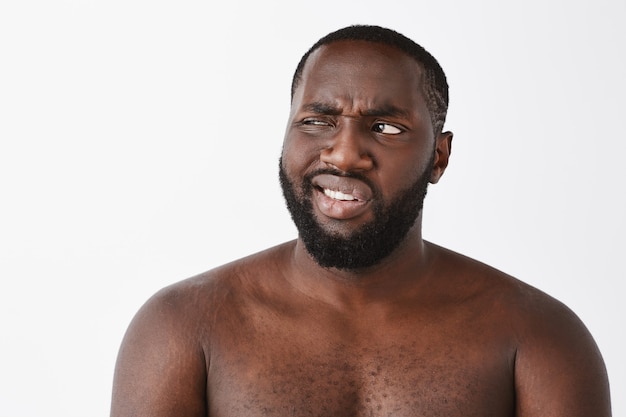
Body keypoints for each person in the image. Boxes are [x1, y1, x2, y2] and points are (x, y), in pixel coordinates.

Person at [110, 25, 611, 416]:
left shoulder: (538, 338)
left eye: (386, 127)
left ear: (438, 157)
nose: (345, 154)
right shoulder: (184, 328)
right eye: (317, 121)